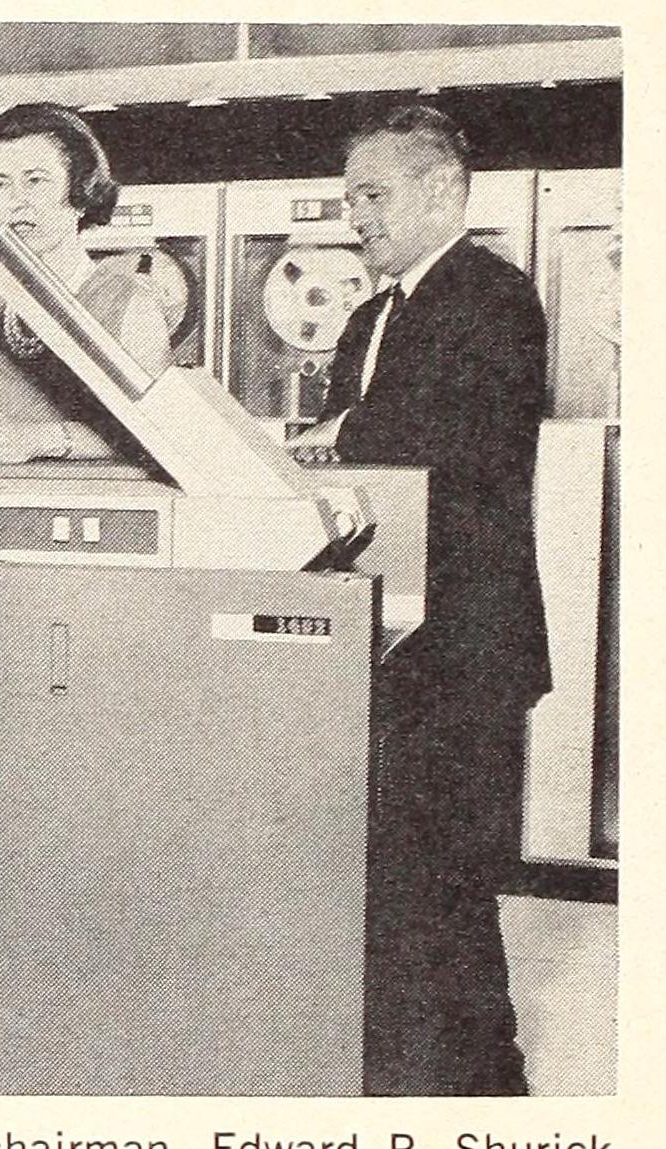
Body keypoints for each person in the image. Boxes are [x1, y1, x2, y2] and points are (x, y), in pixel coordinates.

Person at [302, 105, 550, 1096]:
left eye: (374, 193)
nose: (355, 214)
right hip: (384, 641)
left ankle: (484, 1097)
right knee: (390, 882)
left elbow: (464, 443)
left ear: (442, 190)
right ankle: (395, 1080)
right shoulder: (371, 315)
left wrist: (341, 431)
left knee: (447, 890)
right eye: (348, 197)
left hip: (465, 648)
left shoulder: (494, 295)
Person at [0, 103, 173, 465]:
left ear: (81, 193)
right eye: (0, 184)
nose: (17, 202)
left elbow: (158, 436)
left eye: (35, 180)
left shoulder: (131, 304)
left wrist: (35, 440)